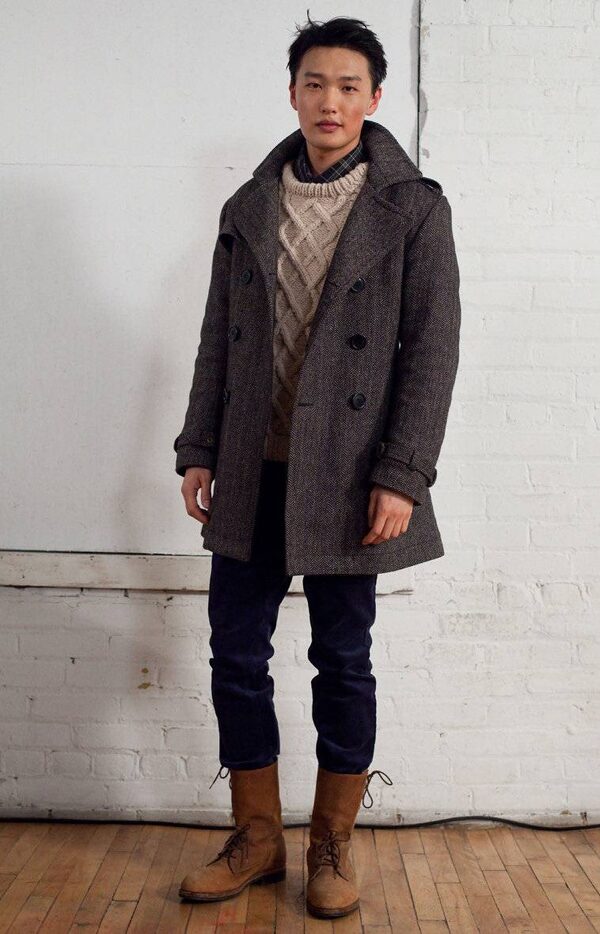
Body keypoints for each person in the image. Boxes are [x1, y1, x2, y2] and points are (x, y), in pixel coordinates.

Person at [174, 13, 461, 919]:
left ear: (374, 99)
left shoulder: (414, 208)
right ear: (292, 92)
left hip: (349, 474)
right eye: (314, 83)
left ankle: (332, 841)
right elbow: (219, 339)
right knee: (235, 653)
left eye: (348, 86)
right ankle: (256, 837)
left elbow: (432, 350)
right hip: (252, 468)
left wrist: (404, 473)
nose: (329, 100)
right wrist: (198, 447)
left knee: (342, 657)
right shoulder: (248, 206)